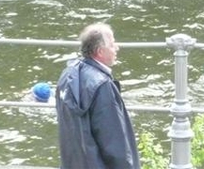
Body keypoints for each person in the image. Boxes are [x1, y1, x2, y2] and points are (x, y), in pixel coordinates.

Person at [55, 23, 141, 169]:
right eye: (113, 44)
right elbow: (114, 143)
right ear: (100, 52)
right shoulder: (102, 86)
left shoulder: (67, 76)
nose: (117, 48)